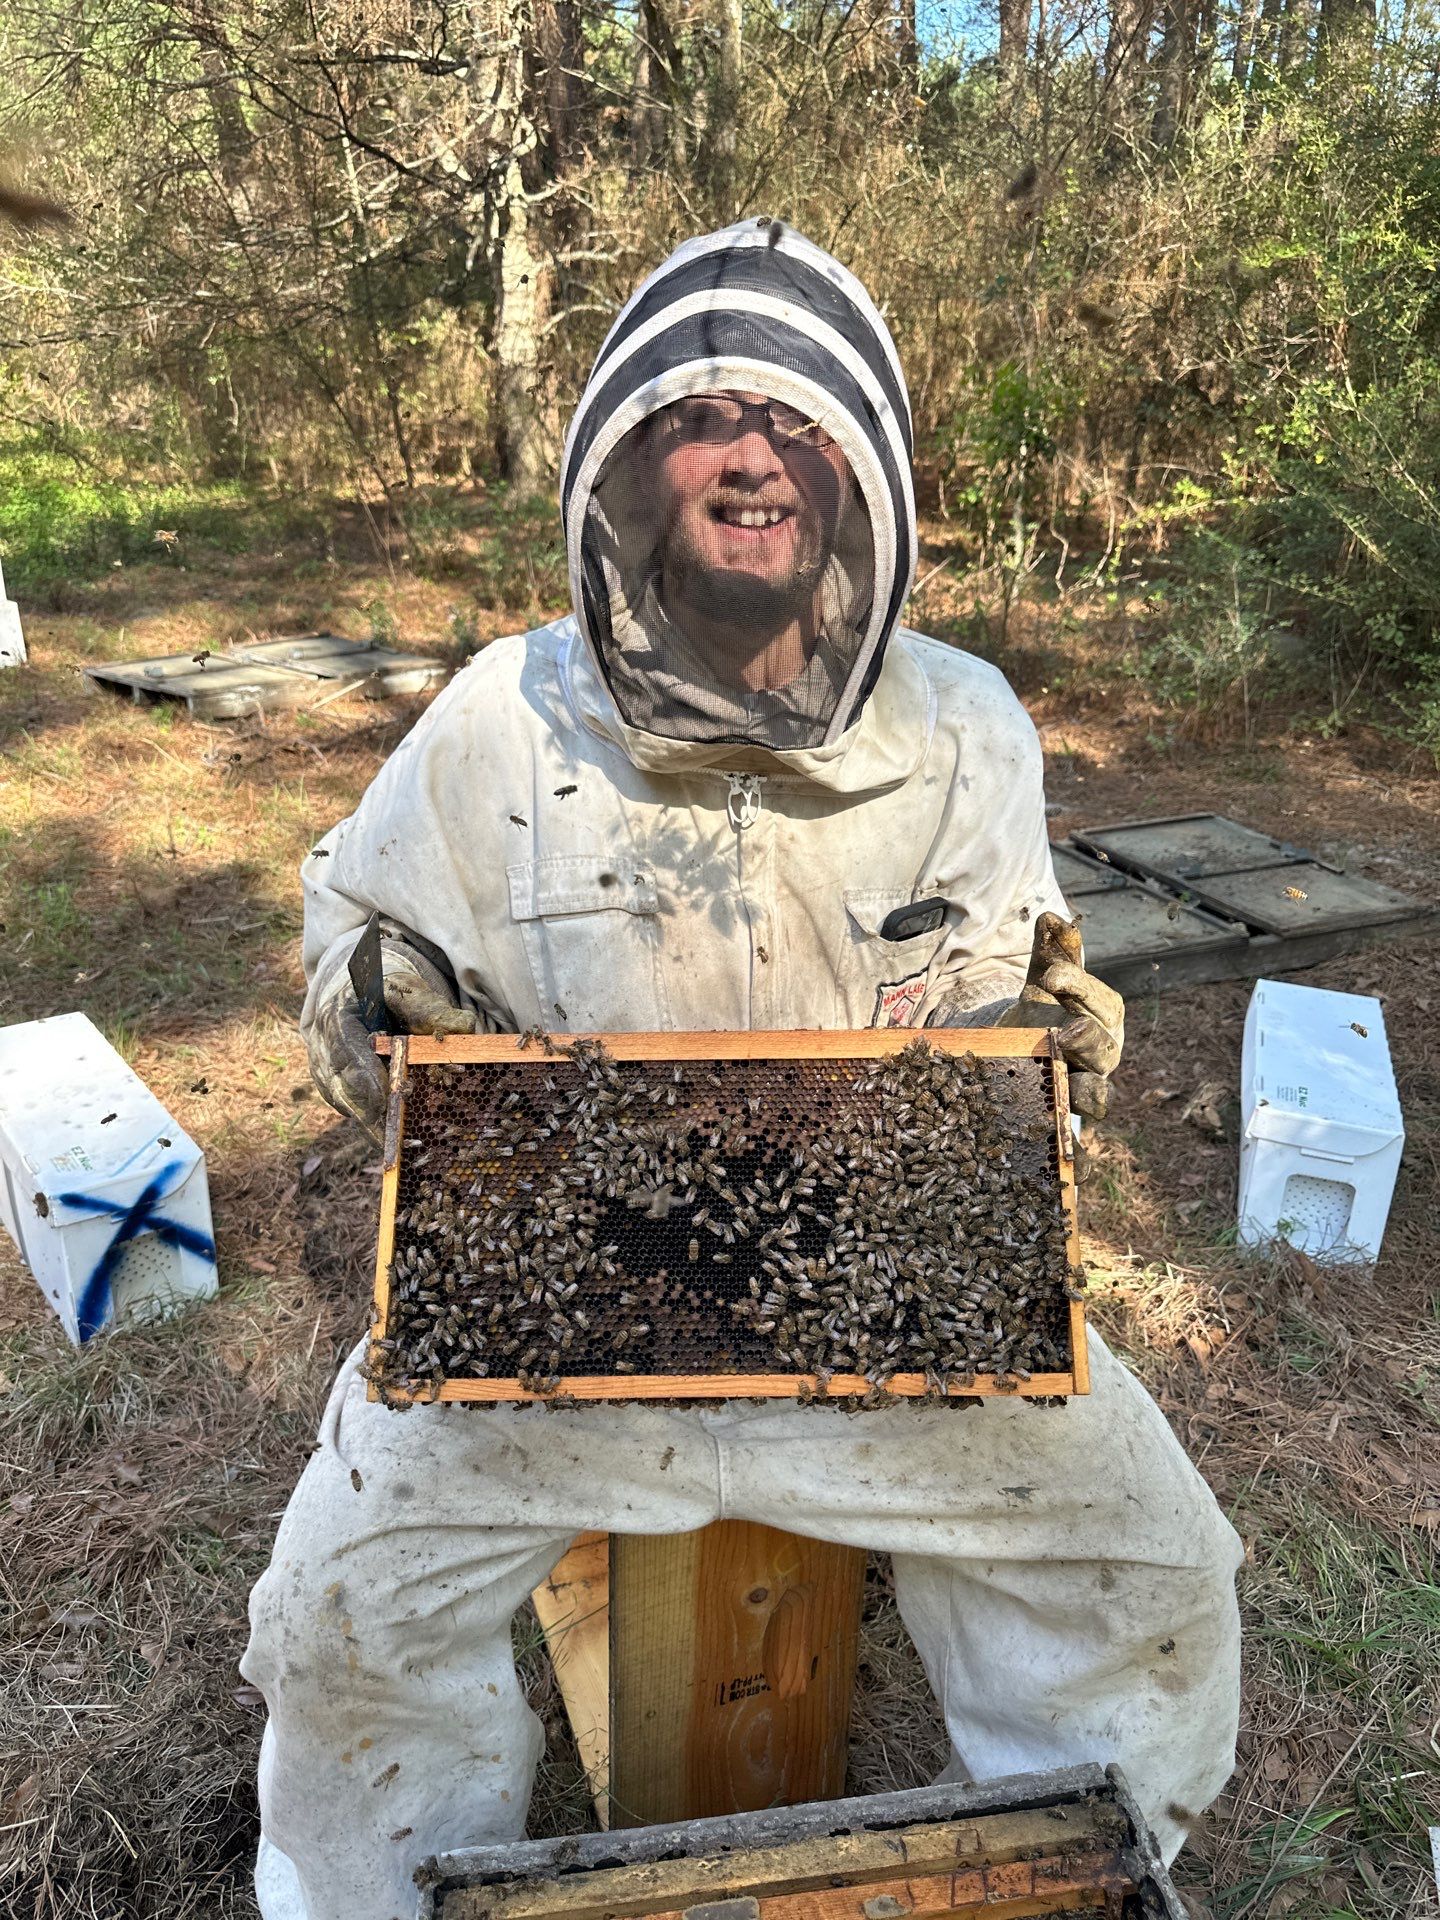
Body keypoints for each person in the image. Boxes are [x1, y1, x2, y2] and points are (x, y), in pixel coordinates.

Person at [242, 218, 1242, 1920]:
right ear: (633, 470)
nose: (752, 454)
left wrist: (1059, 1031)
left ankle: (1082, 1865)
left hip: (893, 1344)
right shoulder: (500, 722)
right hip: (550, 1351)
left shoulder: (968, 727)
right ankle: (371, 1891)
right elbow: (343, 983)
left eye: (794, 422)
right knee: (339, 1609)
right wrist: (378, 997)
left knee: (1153, 1567)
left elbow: (1024, 982)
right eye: (706, 419)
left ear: (859, 474)